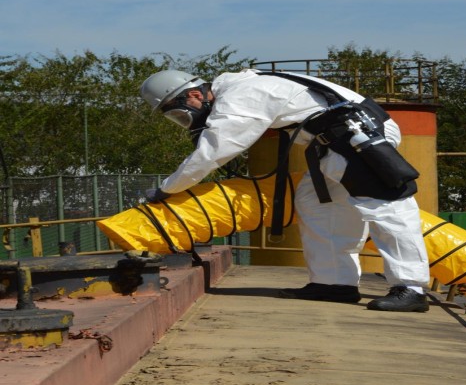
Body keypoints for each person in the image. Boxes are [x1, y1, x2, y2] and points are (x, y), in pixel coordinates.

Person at [140, 68, 430, 312]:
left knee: (387, 207)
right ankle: (334, 284)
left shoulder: (242, 95)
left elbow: (214, 151)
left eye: (181, 114)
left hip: (358, 136)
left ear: (195, 95)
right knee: (316, 203)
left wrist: (167, 190)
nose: (184, 120)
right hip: (334, 141)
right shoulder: (242, 85)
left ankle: (411, 288)